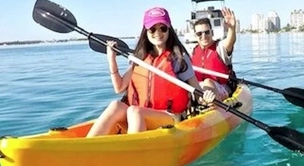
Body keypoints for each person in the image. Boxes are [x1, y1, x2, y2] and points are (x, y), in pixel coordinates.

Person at [86, 7, 214, 137]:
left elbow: (197, 92)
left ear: (169, 29)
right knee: (116, 106)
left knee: (135, 111)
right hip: (138, 115)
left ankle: (132, 151)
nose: (158, 33)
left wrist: (206, 97)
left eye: (162, 28)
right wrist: (111, 59)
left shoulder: (178, 58)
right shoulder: (141, 58)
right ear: (146, 31)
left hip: (169, 116)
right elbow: (119, 88)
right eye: (152, 29)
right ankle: (87, 146)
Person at [191, 7, 238, 100]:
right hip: (199, 88)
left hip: (220, 87)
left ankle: (212, 106)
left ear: (212, 33)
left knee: (208, 82)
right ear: (195, 36)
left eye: (207, 32)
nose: (203, 36)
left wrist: (232, 28)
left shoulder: (219, 47)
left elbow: (230, 41)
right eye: (199, 34)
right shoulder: (192, 51)